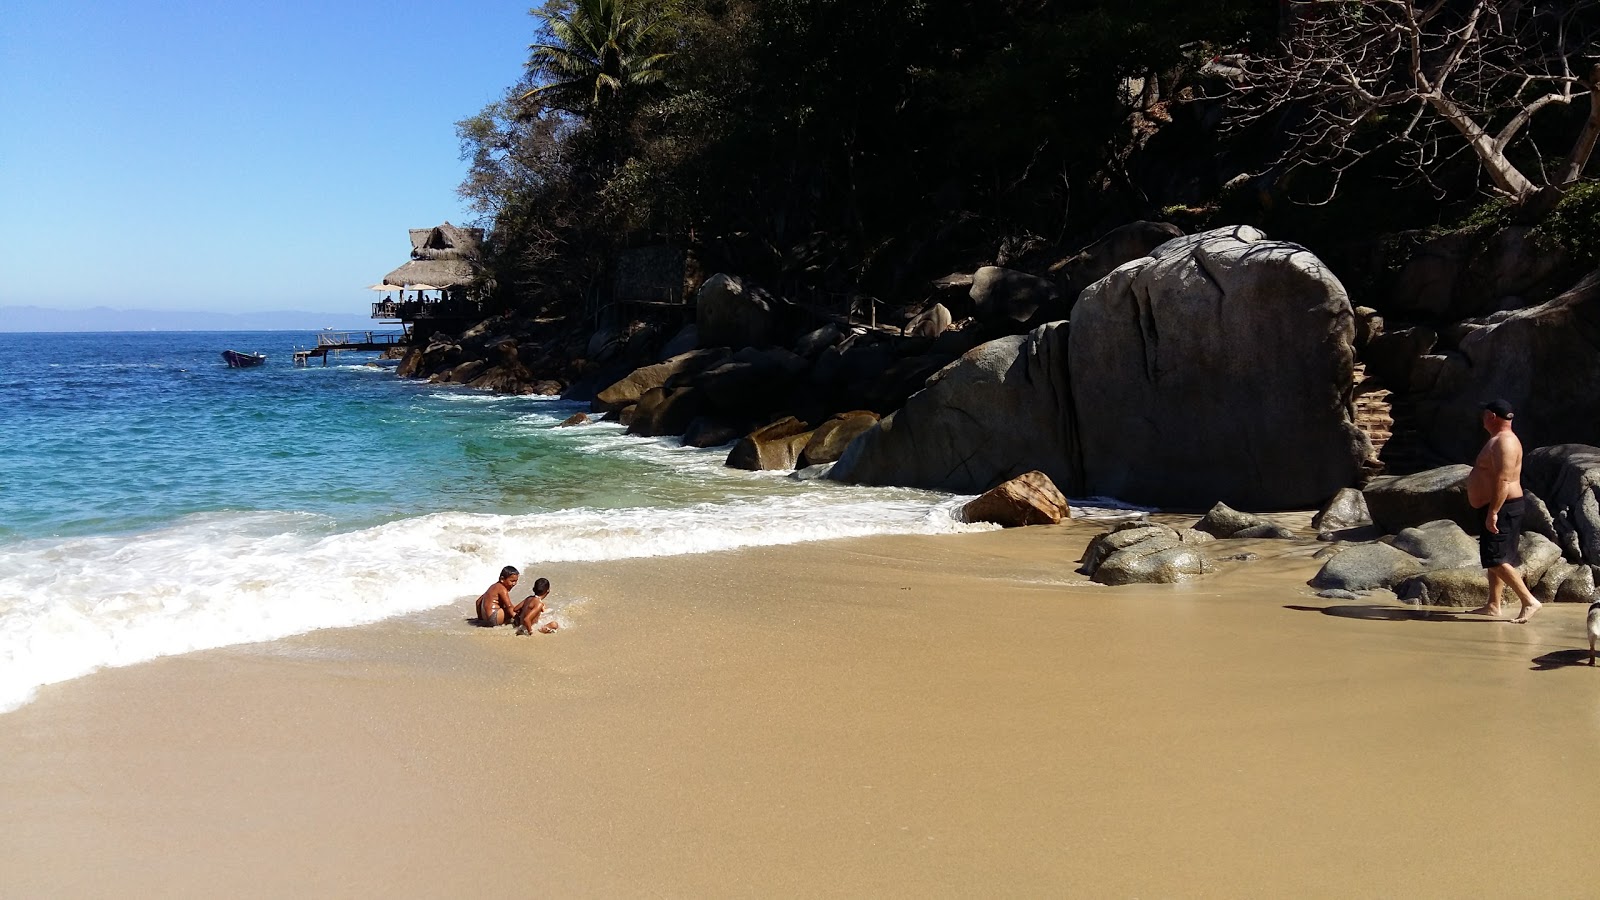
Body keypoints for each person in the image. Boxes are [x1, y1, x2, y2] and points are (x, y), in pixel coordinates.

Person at [1465, 399, 1541, 623]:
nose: (1482, 419)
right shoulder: (1498, 440)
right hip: (1496, 506)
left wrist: (1494, 512)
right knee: (1494, 556)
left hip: (1503, 507)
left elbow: (1504, 479)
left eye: (1483, 415)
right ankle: (1493, 604)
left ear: (1491, 416)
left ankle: (1529, 601)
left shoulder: (1504, 442)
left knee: (1495, 558)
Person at [474, 567, 559, 634]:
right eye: (512, 581)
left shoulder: (493, 587)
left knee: (516, 610)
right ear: (502, 579)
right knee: (516, 612)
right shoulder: (502, 589)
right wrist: (517, 618)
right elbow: (510, 607)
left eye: (516, 581)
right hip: (494, 617)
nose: (514, 583)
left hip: (487, 617)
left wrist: (480, 619)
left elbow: (478, 601)